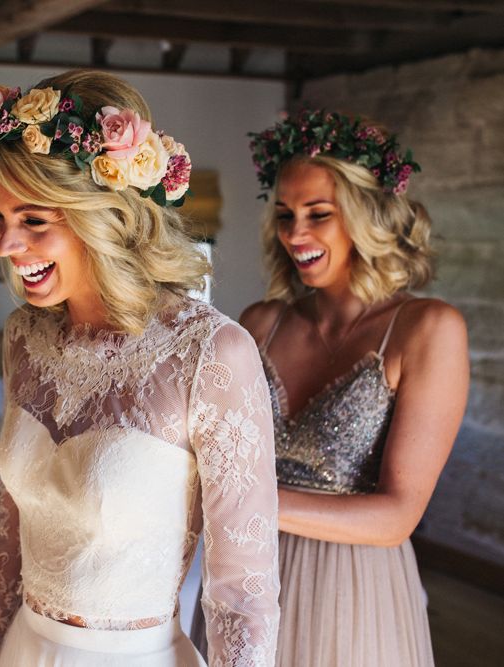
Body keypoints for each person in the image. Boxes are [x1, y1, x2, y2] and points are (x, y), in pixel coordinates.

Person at [0, 70, 280, 666]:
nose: (3, 244)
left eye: (34, 220)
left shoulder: (211, 354)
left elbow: (239, 595)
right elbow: (5, 538)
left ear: (105, 215)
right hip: (23, 650)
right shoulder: (24, 336)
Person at [193, 108, 468, 666]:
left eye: (319, 214)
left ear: (367, 215)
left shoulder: (427, 329)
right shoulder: (262, 323)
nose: (296, 234)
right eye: (286, 214)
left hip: (352, 586)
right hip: (245, 572)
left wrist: (241, 500)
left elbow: (396, 517)